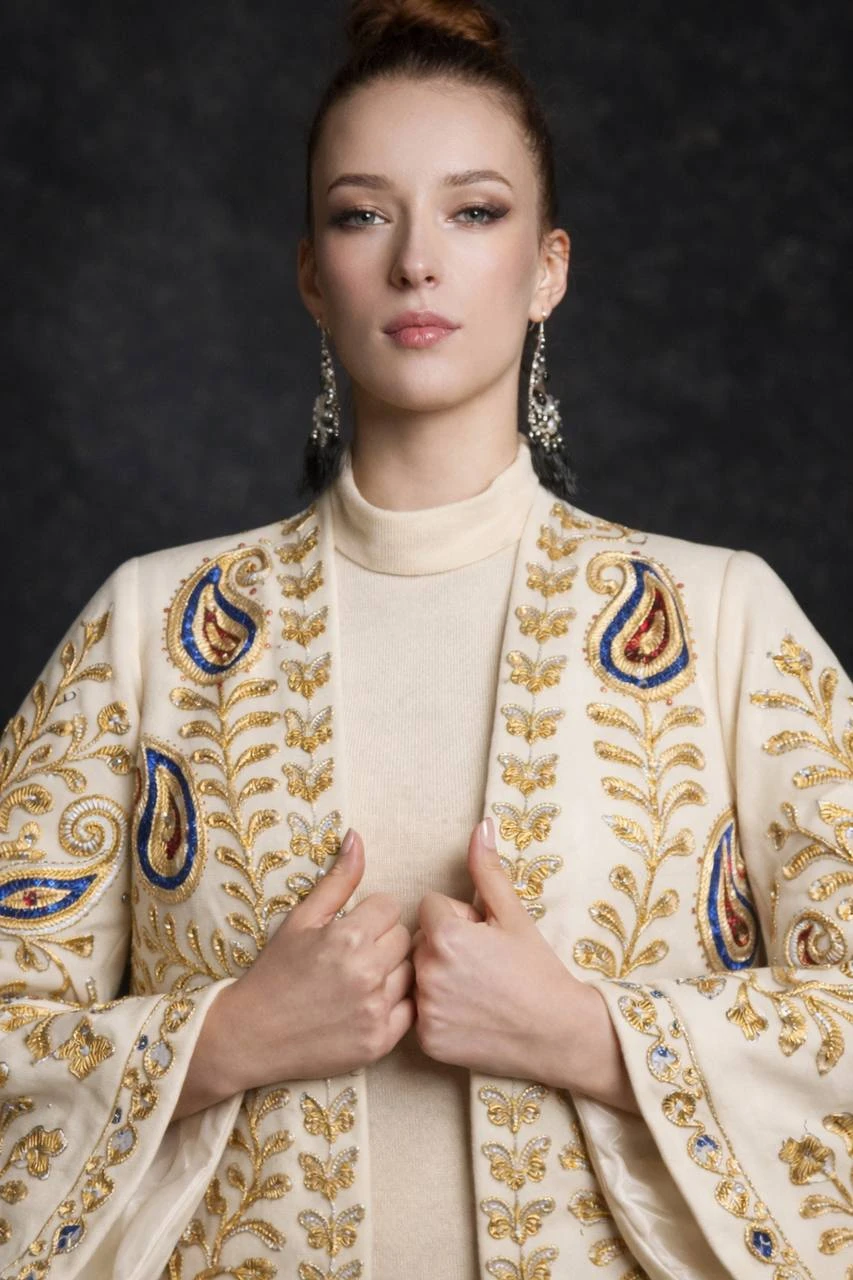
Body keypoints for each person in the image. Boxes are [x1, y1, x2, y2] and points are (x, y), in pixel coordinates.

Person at [1, 0, 851, 1276]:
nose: (415, 262)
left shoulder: (719, 621)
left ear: (548, 267)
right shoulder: (152, 630)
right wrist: (226, 1036)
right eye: (362, 215)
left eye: (473, 211)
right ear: (310, 272)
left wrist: (585, 1033)